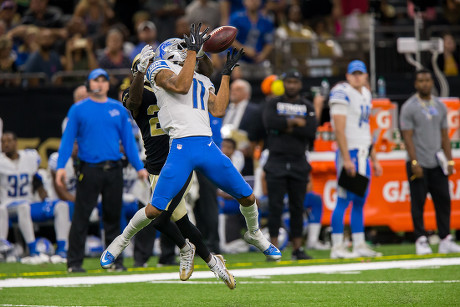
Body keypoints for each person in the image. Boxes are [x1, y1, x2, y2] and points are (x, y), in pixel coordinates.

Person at [101, 23, 281, 280]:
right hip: (180, 148)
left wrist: (226, 75)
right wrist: (194, 54)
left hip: (207, 146)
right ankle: (121, 240)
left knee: (248, 197)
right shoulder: (157, 69)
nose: (189, 52)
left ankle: (254, 234)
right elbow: (180, 86)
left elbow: (218, 109)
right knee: (155, 211)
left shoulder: (201, 77)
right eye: (185, 49)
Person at [107, 45, 236, 288]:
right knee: (179, 221)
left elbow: (193, 79)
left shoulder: (171, 84)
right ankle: (202, 255)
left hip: (179, 159)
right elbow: (132, 101)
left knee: (159, 217)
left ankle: (198, 255)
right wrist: (138, 74)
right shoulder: (139, 92)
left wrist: (198, 54)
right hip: (156, 165)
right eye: (144, 68)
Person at [56, 68, 149, 273]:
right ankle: (74, 263)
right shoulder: (78, 109)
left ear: (108, 85)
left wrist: (139, 167)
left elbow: (128, 142)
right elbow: (67, 140)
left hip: (114, 169)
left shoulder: (118, 109)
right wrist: (60, 167)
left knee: (113, 218)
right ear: (89, 85)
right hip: (89, 170)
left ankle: (115, 261)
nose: (99, 83)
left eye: (103, 80)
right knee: (81, 216)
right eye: (95, 80)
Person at [400, 69, 460, 255]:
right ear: (416, 84)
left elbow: (444, 135)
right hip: (419, 162)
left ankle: (445, 238)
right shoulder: (409, 107)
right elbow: (407, 137)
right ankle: (420, 239)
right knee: (418, 203)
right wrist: (414, 161)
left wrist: (449, 161)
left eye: (427, 80)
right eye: (421, 81)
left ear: (432, 82)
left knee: (443, 201)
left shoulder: (440, 106)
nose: (424, 84)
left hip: (437, 162)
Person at [329, 60, 383, 259]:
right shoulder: (342, 92)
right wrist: (346, 158)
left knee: (360, 199)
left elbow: (366, 129)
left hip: (362, 152)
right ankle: (337, 246)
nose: (357, 77)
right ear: (348, 75)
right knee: (343, 199)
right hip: (349, 152)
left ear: (366, 75)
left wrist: (374, 158)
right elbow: (339, 129)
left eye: (361, 73)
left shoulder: (366, 93)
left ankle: (359, 243)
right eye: (354, 73)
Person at [263, 70, 317, 260]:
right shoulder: (273, 103)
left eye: (295, 82)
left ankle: (297, 249)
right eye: (289, 82)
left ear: (300, 84)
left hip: (298, 160)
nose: (292, 85)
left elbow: (311, 130)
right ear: (284, 83)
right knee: (275, 206)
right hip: (276, 159)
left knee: (298, 207)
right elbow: (270, 123)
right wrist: (295, 122)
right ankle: (273, 249)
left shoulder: (307, 105)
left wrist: (284, 126)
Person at [0, 132, 49, 264]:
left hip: (28, 203)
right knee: (3, 209)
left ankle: (32, 249)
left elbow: (36, 179)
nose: (5, 144)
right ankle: (3, 246)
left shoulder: (29, 158)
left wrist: (44, 195)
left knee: (24, 206)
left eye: (8, 141)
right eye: (2, 142)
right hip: (7, 205)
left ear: (16, 142)